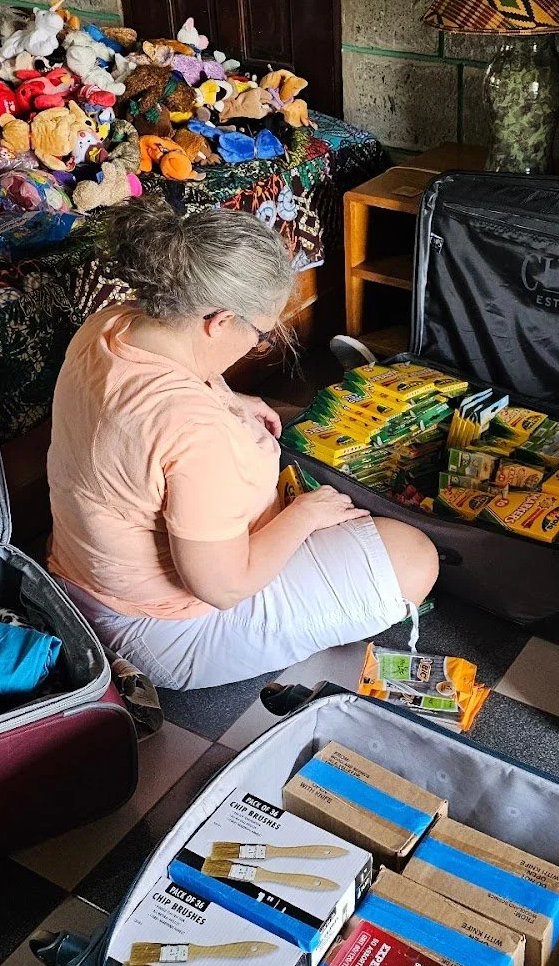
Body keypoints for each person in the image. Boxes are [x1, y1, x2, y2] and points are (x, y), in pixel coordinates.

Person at [46, 198, 438, 691]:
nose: (258, 344)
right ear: (218, 320)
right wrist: (304, 517)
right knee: (414, 557)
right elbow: (222, 587)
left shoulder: (112, 325)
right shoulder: (196, 431)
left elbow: (166, 395)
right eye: (260, 332)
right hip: (163, 631)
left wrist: (232, 396)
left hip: (79, 578)